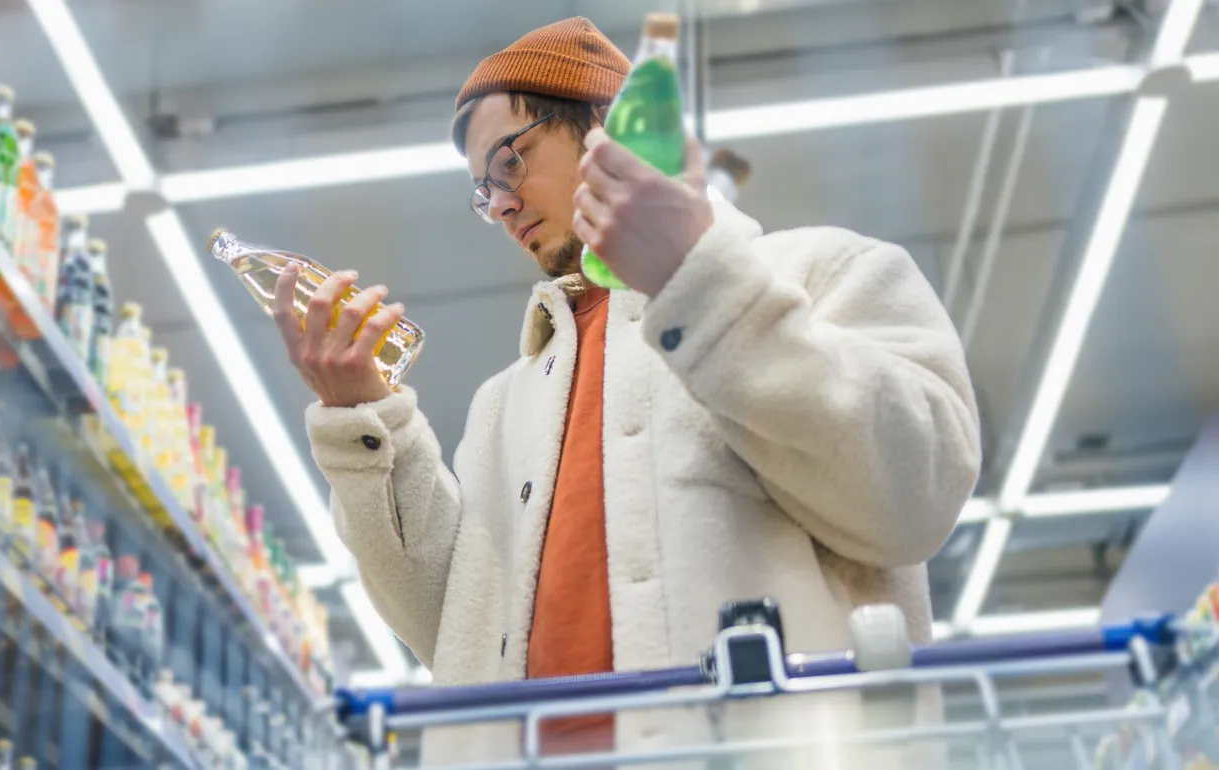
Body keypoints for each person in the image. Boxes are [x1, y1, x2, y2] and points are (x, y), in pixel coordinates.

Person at [275, 16, 981, 767]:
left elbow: (917, 495)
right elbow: (454, 634)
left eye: (509, 162)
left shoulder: (825, 272)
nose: (502, 204)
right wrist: (361, 418)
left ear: (607, 126)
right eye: (484, 192)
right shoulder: (502, 406)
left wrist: (700, 284)